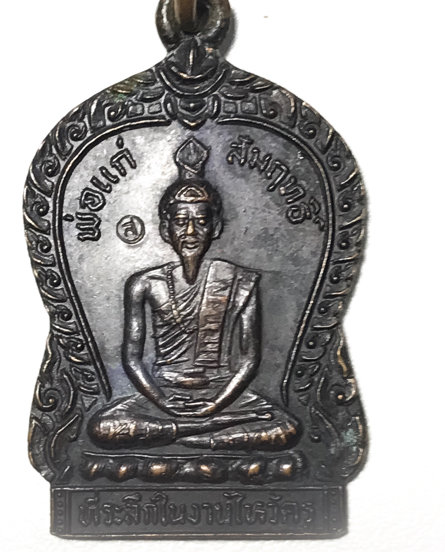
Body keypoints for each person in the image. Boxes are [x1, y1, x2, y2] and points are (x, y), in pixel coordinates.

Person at [88, 138, 299, 451]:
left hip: (224, 395)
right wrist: (162, 400)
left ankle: (188, 433)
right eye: (180, 222)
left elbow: (249, 359)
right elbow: (132, 358)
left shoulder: (239, 280)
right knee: (101, 428)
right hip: (161, 395)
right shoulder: (144, 283)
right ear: (166, 229)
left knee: (288, 429)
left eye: (201, 222)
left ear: (216, 227)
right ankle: (210, 433)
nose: (190, 233)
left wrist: (216, 404)